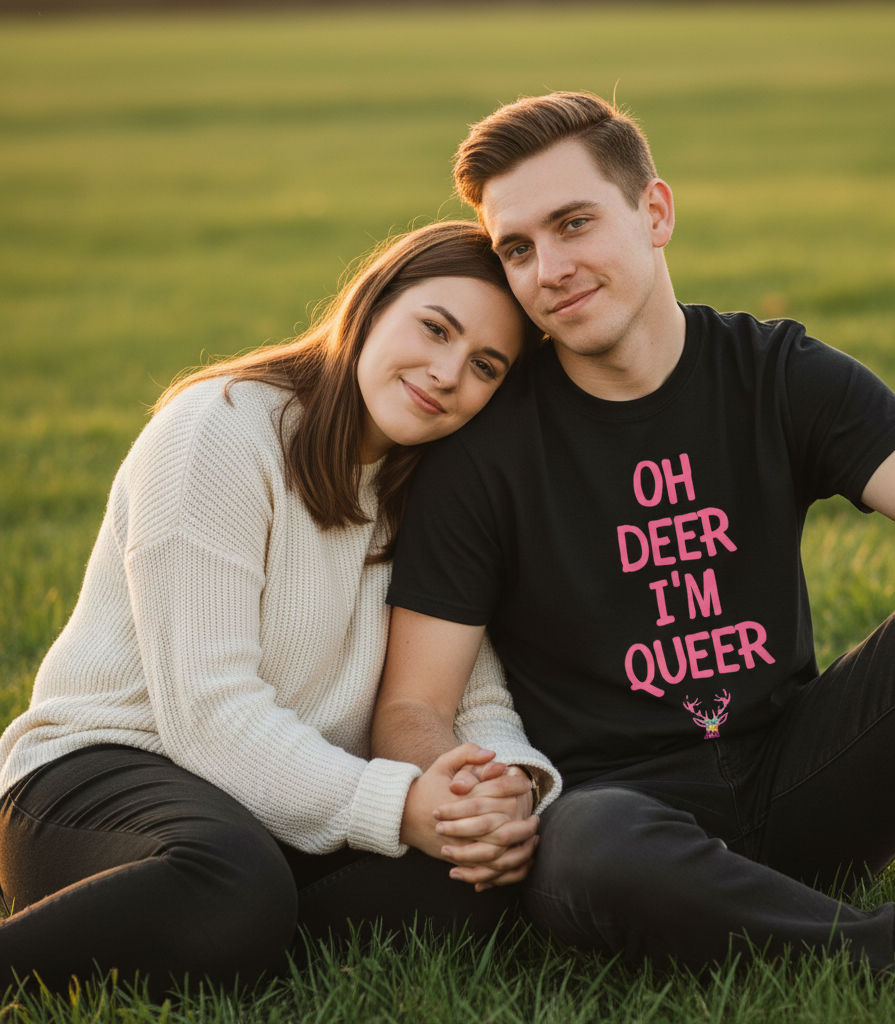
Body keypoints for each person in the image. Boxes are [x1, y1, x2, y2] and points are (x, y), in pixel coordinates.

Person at [371, 93, 895, 971]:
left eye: (574, 224)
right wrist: (457, 784)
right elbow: (412, 707)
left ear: (655, 212)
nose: (548, 269)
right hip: (625, 825)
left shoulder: (772, 373)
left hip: (804, 779)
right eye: (517, 249)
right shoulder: (485, 453)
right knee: (591, 842)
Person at [0, 220, 562, 996]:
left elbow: (474, 697)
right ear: (372, 304)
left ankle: (223, 932)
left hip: (273, 808)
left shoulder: (439, 486)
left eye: (485, 366)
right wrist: (400, 806)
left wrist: (498, 794)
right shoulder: (221, 430)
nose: (445, 373)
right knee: (229, 877)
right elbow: (207, 712)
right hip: (109, 773)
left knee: (475, 880)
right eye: (434, 328)